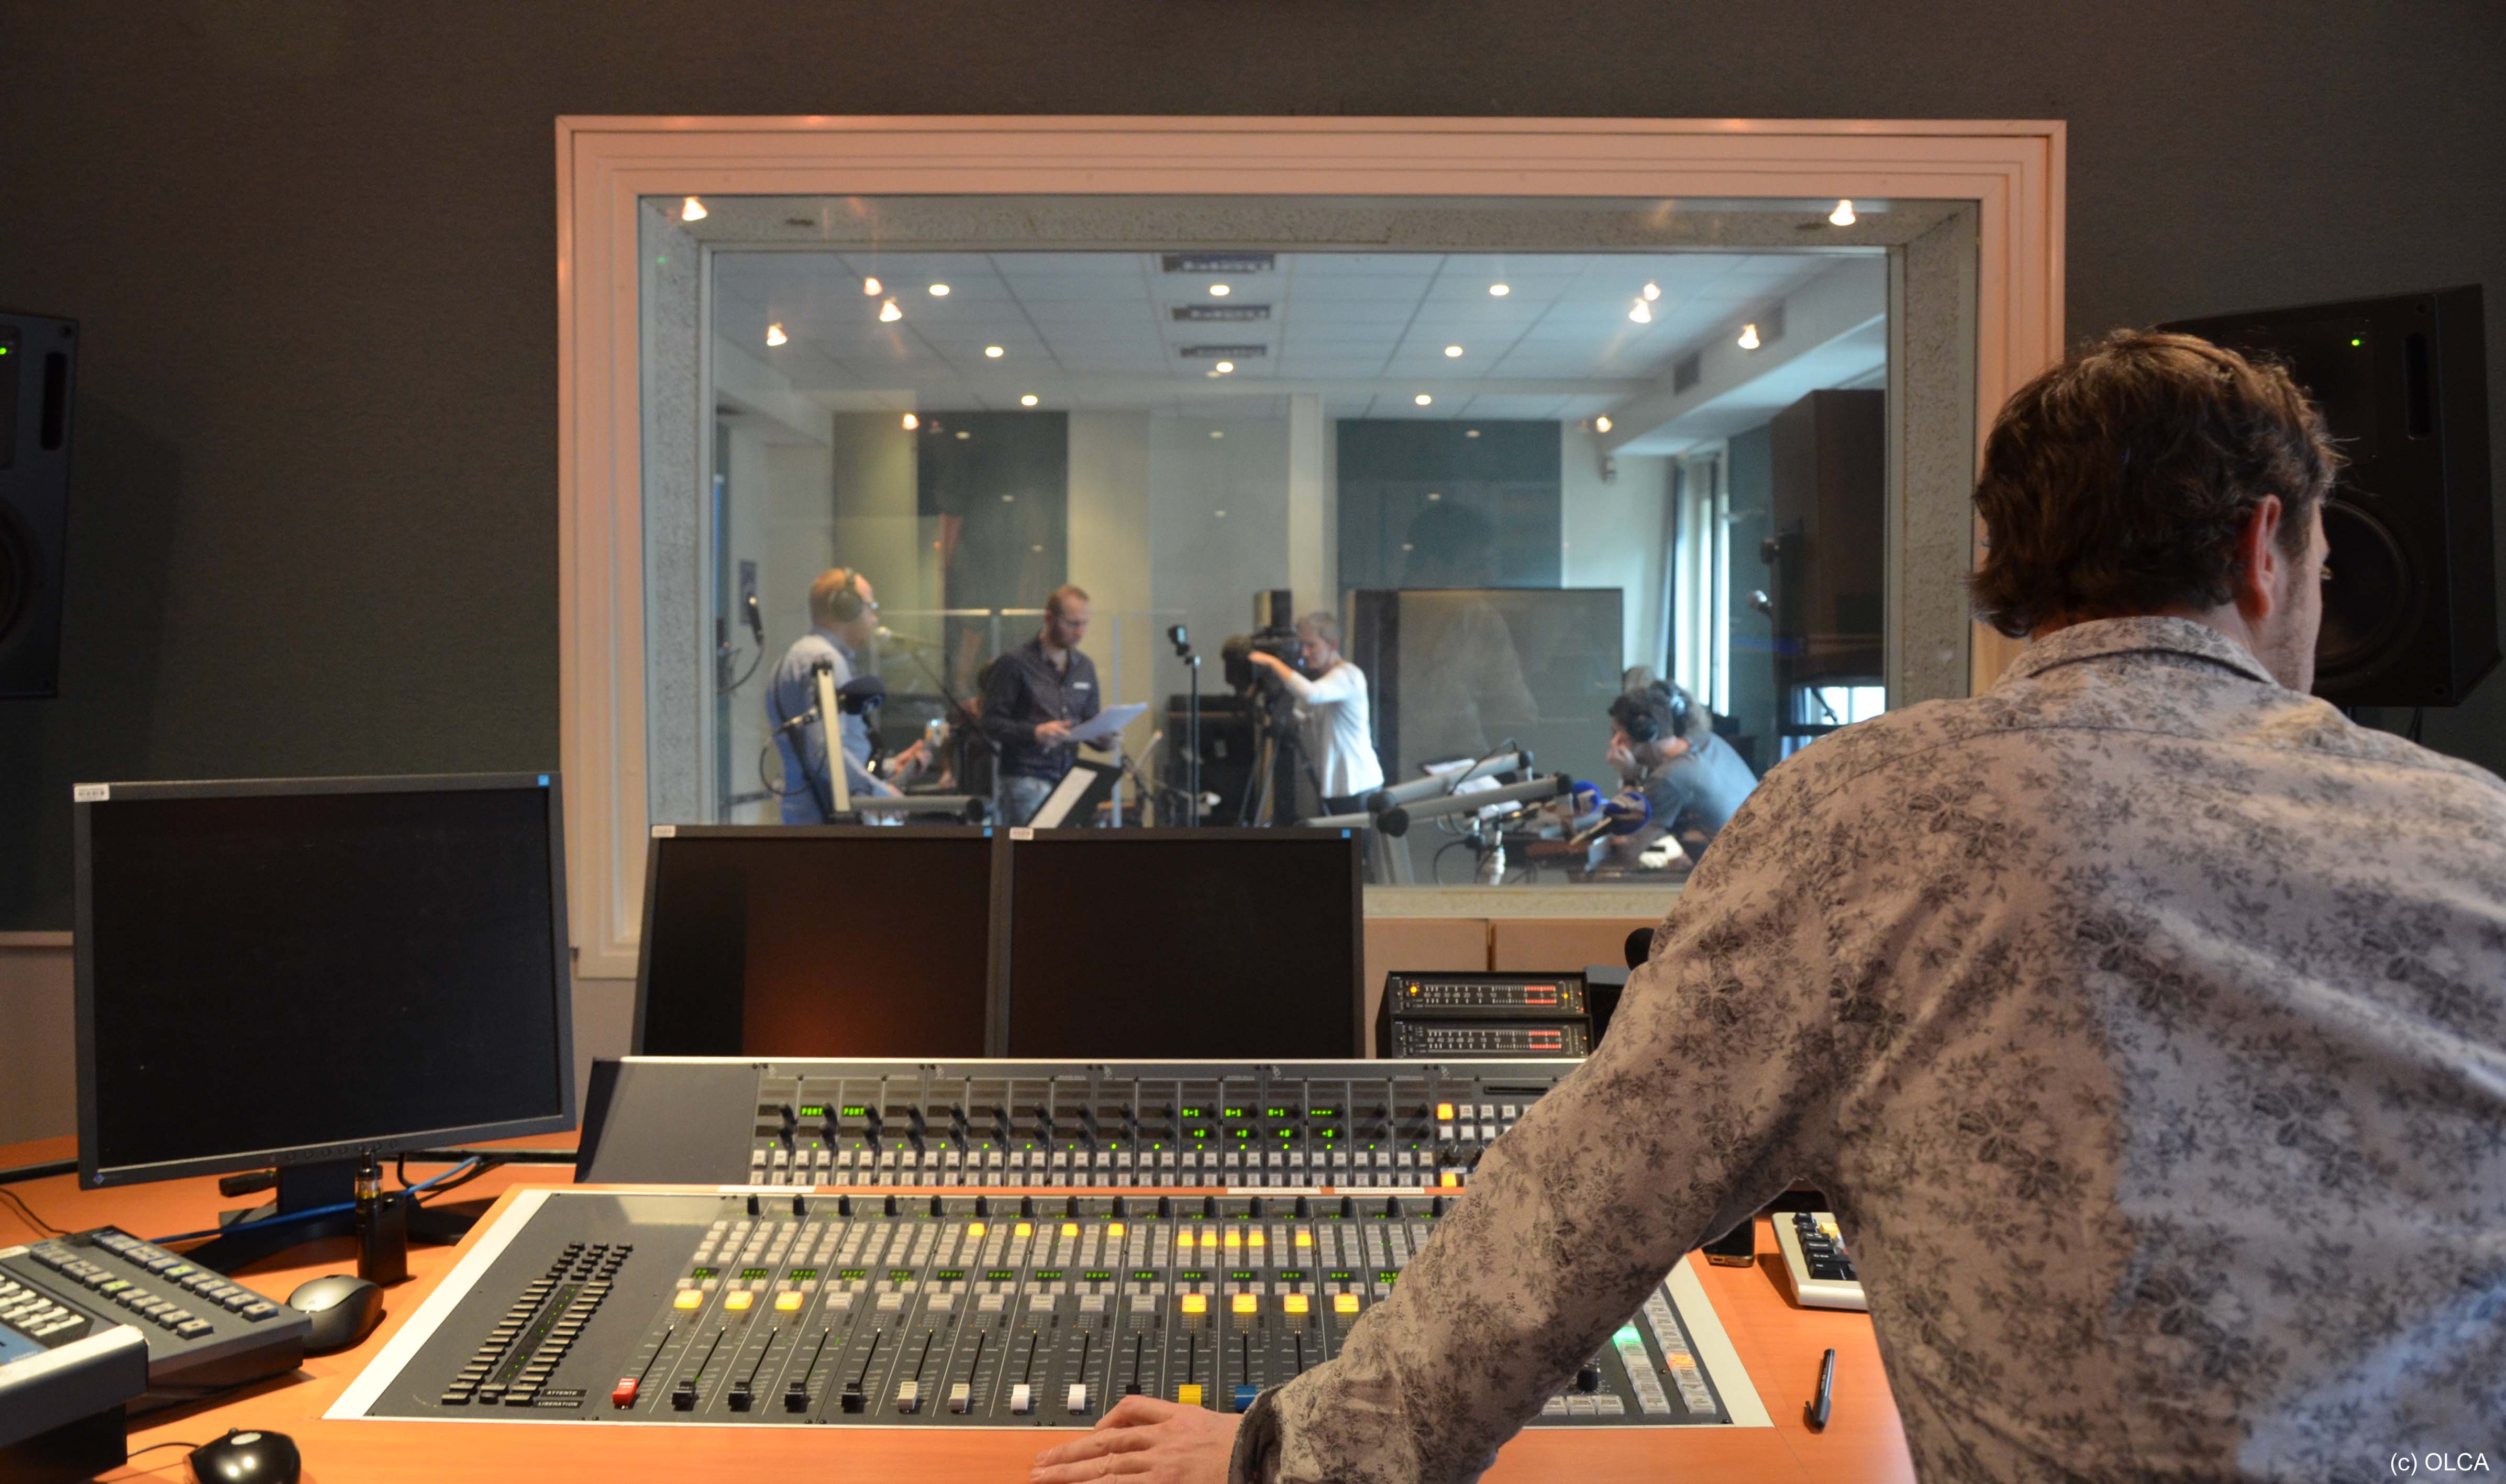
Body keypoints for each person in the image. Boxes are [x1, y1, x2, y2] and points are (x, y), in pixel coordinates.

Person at [1032, 330, 2506, 1483]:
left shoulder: (1871, 816)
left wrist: (1277, 1453)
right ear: (2262, 549)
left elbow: (1568, 1214)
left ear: (2012, 569)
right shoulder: (2479, 833)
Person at [766, 568, 926, 823]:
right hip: (831, 822)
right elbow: (824, 754)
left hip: (806, 817)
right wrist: (880, 794)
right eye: (870, 607)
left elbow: (822, 753)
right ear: (845, 607)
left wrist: (888, 767)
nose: (874, 618)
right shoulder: (826, 662)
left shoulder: (790, 660)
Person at [1593, 680, 1758, 867]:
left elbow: (1625, 852)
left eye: (1618, 734)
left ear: (1644, 733)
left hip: (1734, 873)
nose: (1613, 742)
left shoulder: (1668, 779)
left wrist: (1628, 777)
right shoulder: (1706, 741)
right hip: (1756, 861)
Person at [981, 583, 1104, 825]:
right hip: (1026, 777)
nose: (1080, 632)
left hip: (1069, 779)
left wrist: (1104, 738)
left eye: (1085, 624)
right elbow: (990, 723)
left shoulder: (1085, 667)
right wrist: (1035, 733)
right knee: (1032, 847)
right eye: (1073, 624)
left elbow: (1090, 720)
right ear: (1050, 619)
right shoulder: (1014, 663)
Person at [1244, 611, 1385, 812]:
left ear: (1333, 645)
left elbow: (1311, 694)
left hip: (1359, 786)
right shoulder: (1326, 683)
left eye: (1312, 646)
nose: (1305, 653)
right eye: (1303, 645)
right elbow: (1306, 717)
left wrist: (1273, 663)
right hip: (1341, 788)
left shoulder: (1349, 676)